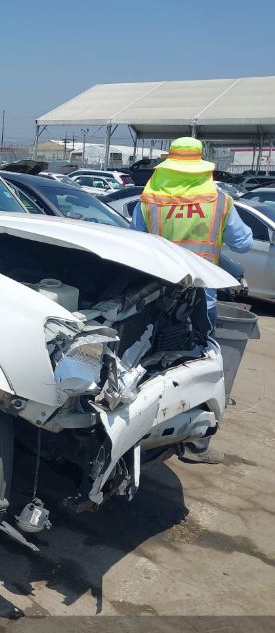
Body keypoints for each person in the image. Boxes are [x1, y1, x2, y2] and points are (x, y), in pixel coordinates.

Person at [130, 136, 252, 465]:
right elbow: (242, 243)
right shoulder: (219, 199)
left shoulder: (150, 198)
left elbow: (135, 244)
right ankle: (196, 443)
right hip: (201, 299)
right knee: (202, 365)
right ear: (201, 165)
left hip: (158, 297)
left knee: (148, 364)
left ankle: (141, 433)